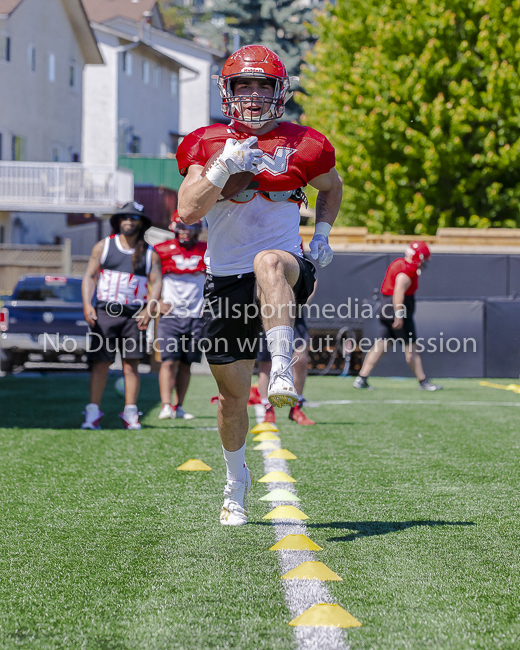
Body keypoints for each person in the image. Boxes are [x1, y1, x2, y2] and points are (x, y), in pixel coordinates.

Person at [176, 44, 343, 525]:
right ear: (228, 91)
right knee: (231, 398)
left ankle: (283, 370)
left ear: (279, 91)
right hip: (224, 279)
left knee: (269, 261)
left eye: (262, 85)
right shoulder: (207, 142)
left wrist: (323, 235)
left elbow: (331, 185)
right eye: (243, 85)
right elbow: (188, 210)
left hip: (286, 264)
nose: (252, 95)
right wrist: (222, 167)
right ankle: (236, 481)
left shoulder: (305, 143)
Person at [81, 202, 162, 430]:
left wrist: (149, 308)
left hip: (134, 316)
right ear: (118, 221)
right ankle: (93, 413)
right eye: (124, 216)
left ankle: (130, 413)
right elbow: (90, 276)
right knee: (100, 363)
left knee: (131, 365)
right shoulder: (104, 246)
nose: (128, 220)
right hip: (105, 312)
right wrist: (87, 304)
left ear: (141, 223)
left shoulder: (149, 253)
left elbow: (156, 283)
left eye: (134, 217)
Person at [353, 241, 443, 391]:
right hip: (397, 309)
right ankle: (423, 381)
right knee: (411, 349)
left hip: (386, 307)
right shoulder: (407, 271)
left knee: (381, 344)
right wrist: (399, 315)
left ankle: (361, 378)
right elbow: (398, 292)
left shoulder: (399, 263)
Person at [154, 216, 207, 420]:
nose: (186, 231)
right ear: (174, 228)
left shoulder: (206, 250)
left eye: (191, 227)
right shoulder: (160, 250)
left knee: (187, 363)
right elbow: (150, 277)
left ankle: (179, 406)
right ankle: (166, 405)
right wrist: (157, 301)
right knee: (168, 361)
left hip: (196, 315)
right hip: (171, 315)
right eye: (183, 227)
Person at [257, 314, 315, 425]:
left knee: (300, 360)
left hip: (294, 319)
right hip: (267, 317)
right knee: (266, 365)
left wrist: (294, 306)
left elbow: (309, 295)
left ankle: (297, 408)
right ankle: (268, 409)